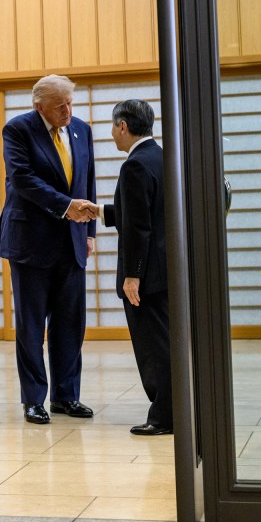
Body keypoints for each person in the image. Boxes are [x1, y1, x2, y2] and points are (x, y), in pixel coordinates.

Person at [0, 75, 97, 425]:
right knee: (32, 326)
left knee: (70, 324)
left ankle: (67, 396)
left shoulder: (82, 129)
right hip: (31, 243)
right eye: (59, 106)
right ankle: (34, 399)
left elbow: (88, 182)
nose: (67, 111)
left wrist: (90, 230)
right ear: (39, 107)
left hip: (73, 241)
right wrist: (66, 206)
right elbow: (21, 179)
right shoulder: (18, 130)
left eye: (70, 103)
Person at [95, 99, 172, 436]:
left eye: (113, 127)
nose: (112, 134)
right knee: (166, 341)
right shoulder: (162, 157)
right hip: (168, 269)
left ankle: (163, 416)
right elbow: (151, 210)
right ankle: (175, 408)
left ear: (122, 126)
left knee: (154, 348)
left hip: (147, 276)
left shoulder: (134, 166)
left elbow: (139, 228)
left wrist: (132, 276)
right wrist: (99, 212)